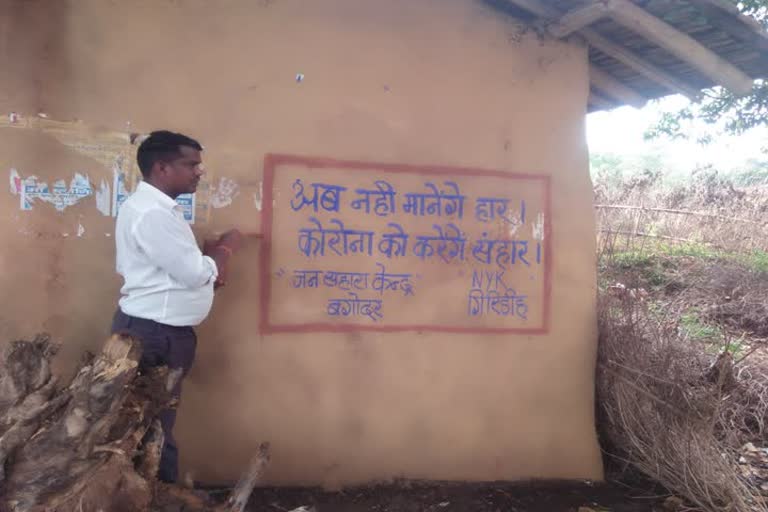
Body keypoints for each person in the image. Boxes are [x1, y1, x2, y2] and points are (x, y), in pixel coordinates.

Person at [110, 130, 243, 483]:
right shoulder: (152, 214)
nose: (199, 171)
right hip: (155, 336)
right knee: (152, 429)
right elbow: (194, 272)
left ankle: (149, 496)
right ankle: (156, 498)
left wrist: (209, 266)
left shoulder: (158, 210)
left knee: (151, 425)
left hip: (158, 331)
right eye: (191, 164)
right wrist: (225, 250)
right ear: (162, 167)